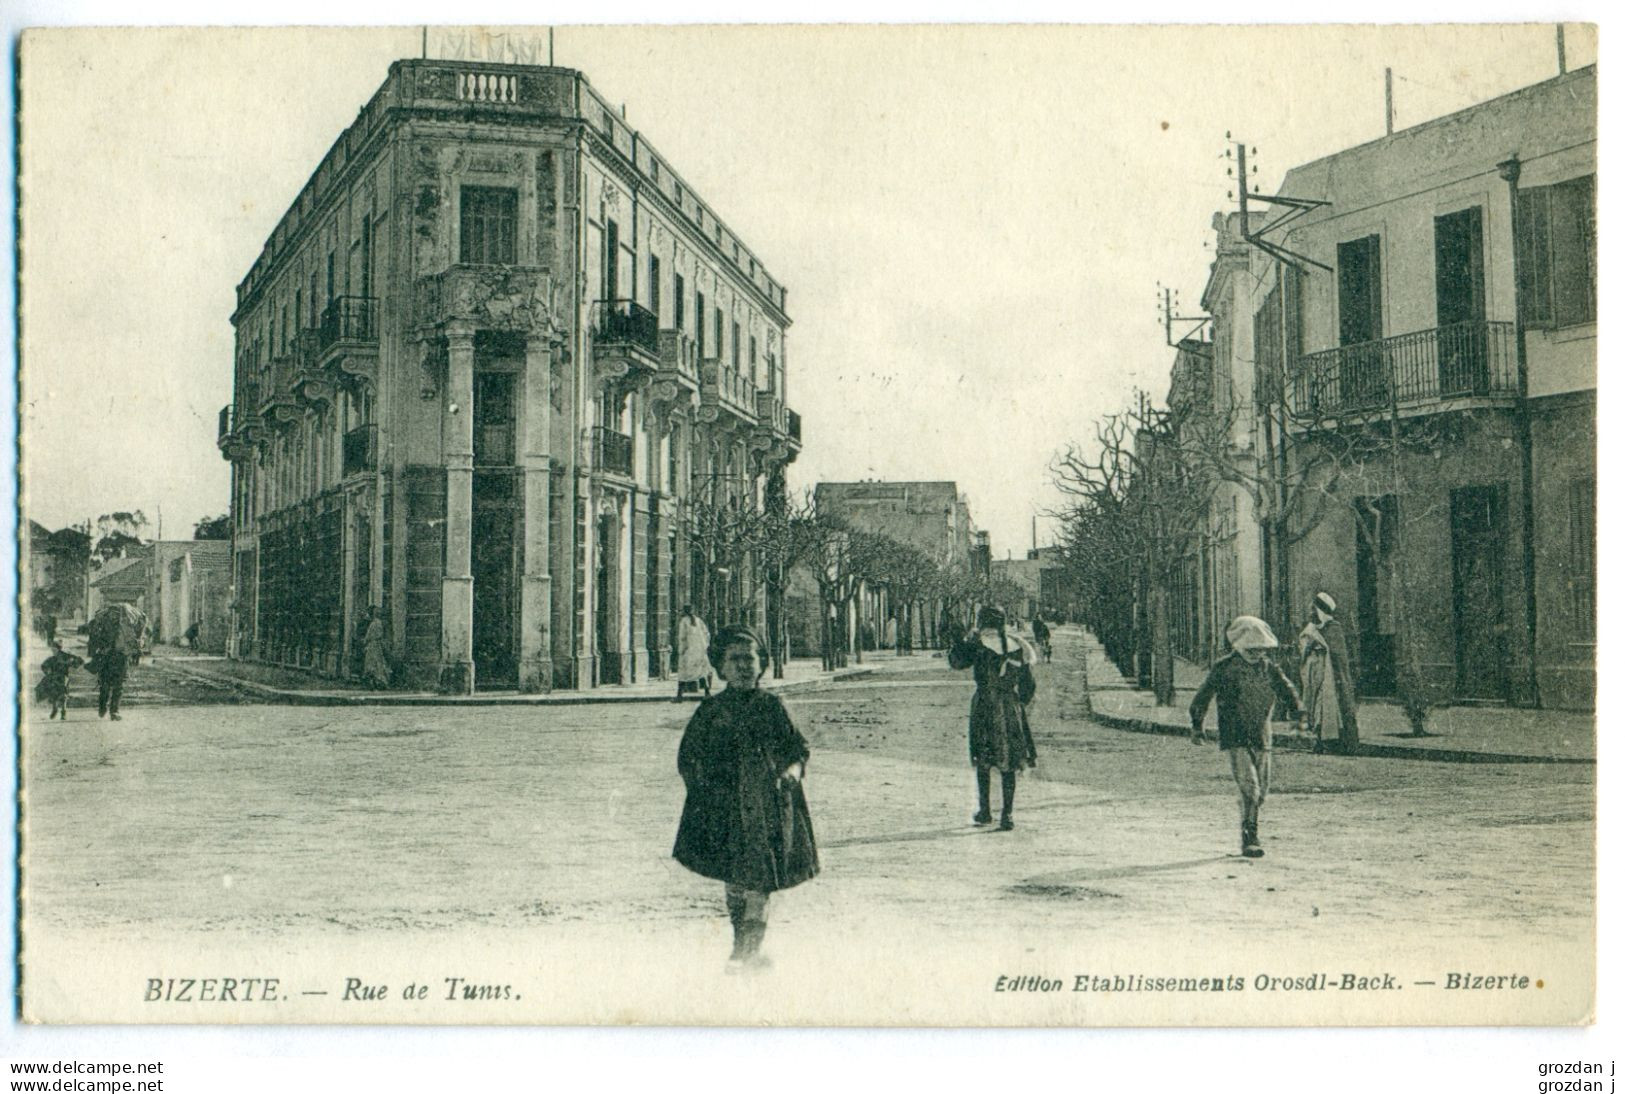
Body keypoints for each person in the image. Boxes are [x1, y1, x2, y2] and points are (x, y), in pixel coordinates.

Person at [673, 624, 819, 971]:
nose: (743, 666)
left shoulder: (772, 707)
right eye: (734, 659)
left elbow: (797, 750)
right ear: (720, 667)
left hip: (767, 806)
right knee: (735, 880)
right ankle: (743, 943)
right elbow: (688, 758)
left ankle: (747, 951)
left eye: (750, 658)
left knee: (760, 881)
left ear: (762, 663)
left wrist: (792, 772)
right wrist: (703, 790)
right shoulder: (710, 712)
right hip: (724, 809)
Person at [1190, 616, 1303, 859]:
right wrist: (1197, 725)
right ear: (1238, 645)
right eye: (1251, 648)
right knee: (1250, 787)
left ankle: (1248, 817)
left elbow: (1288, 690)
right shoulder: (1224, 668)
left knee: (1261, 792)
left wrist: (1298, 713)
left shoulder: (1269, 668)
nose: (1256, 653)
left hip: (1262, 735)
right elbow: (1203, 696)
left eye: (1260, 648)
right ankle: (1250, 836)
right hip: (1235, 735)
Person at [949, 606, 1038, 831]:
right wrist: (1018, 703)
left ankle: (985, 811)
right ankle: (1007, 814)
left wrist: (961, 639)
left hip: (984, 706)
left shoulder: (977, 645)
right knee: (1009, 761)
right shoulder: (1018, 645)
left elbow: (956, 662)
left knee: (984, 759)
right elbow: (1029, 685)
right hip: (1010, 707)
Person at [1298, 592, 1359, 754]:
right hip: (1315, 674)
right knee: (1313, 706)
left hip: (1331, 677)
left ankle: (1332, 742)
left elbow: (1338, 655)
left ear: (1321, 610)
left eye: (1314, 609)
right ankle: (1318, 740)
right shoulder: (1312, 629)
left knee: (1327, 707)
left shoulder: (1334, 628)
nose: (1311, 612)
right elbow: (1303, 648)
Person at [86, 603, 146, 721]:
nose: (114, 617)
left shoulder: (103, 623)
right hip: (119, 657)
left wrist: (94, 654)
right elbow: (138, 638)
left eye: (115, 615)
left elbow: (93, 639)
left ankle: (107, 709)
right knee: (115, 685)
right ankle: (112, 710)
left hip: (109, 656)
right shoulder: (127, 624)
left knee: (108, 684)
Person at [36, 639, 84, 720]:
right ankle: (54, 709)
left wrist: (71, 662)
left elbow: (80, 661)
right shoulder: (52, 658)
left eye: (54, 649)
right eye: (52, 649)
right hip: (54, 677)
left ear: (58, 649)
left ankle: (63, 712)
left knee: (63, 695)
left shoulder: (66, 656)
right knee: (53, 693)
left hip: (63, 678)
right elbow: (43, 665)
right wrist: (47, 671)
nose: (52, 650)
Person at [675, 605, 712, 701]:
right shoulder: (699, 621)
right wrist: (705, 646)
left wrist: (681, 651)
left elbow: (682, 638)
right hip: (700, 651)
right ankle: (707, 693)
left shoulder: (684, 621)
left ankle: (679, 696)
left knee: (683, 674)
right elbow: (707, 634)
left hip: (688, 651)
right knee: (702, 672)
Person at [362, 607, 392, 689]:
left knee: (372, 662)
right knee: (379, 662)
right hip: (378, 644)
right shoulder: (379, 622)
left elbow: (368, 635)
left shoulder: (373, 623)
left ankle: (377, 681)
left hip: (373, 644)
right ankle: (379, 682)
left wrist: (365, 641)